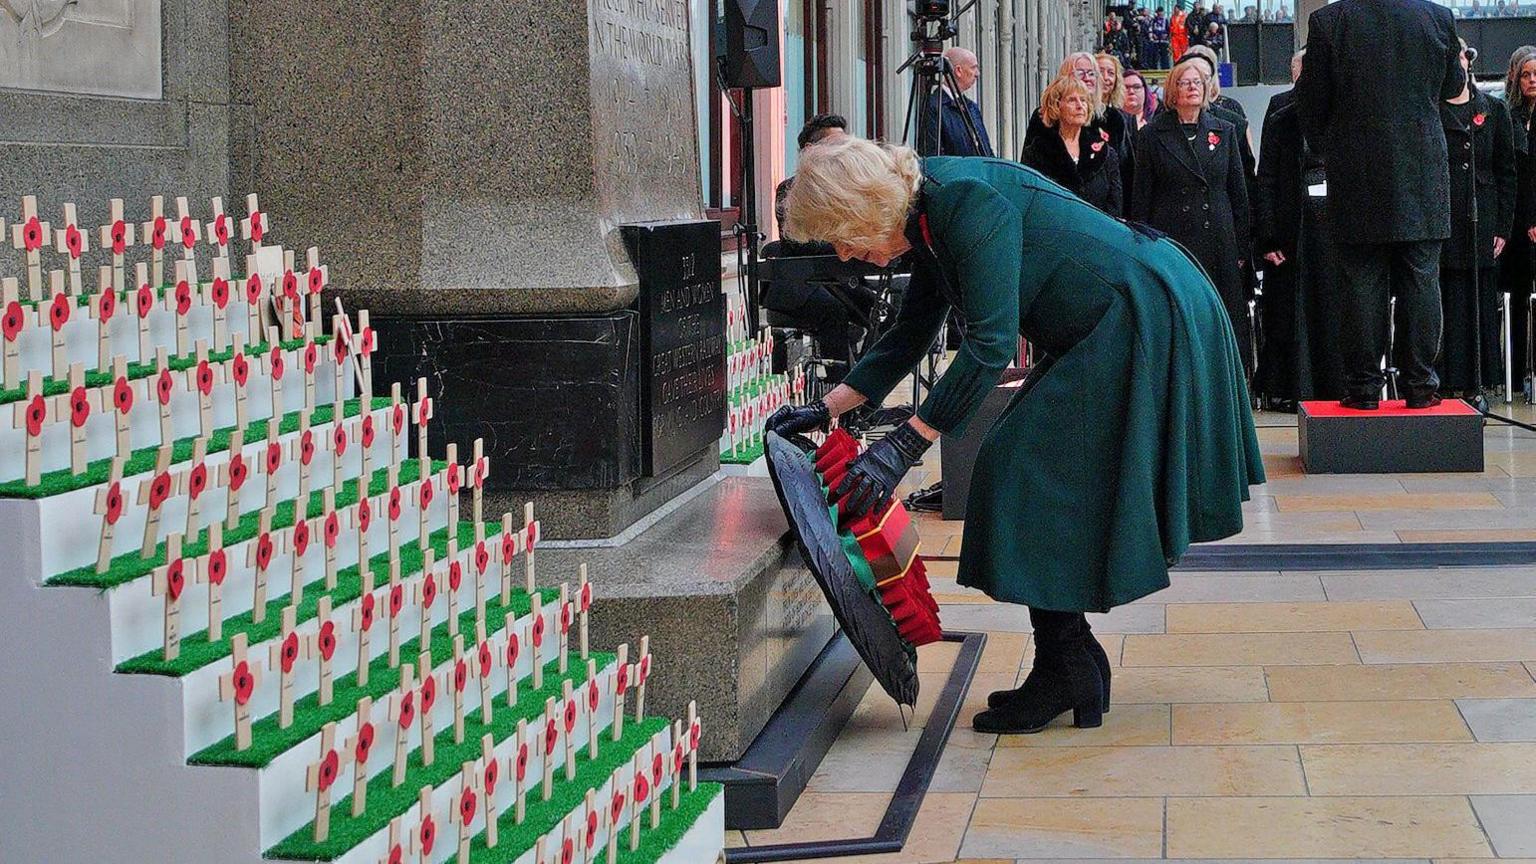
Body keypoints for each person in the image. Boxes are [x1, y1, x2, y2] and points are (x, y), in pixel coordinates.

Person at [767, 138, 1263, 734]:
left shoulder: (962, 203)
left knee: (1021, 467)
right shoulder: (926, 209)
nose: (846, 255)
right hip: (1108, 317)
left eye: (842, 236)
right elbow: (911, 331)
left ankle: (1065, 666)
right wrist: (829, 407)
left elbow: (989, 343)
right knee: (1025, 467)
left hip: (1136, 313)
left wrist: (905, 444)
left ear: (865, 207)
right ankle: (1071, 661)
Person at [1297, 0, 1465, 409]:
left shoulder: (1329, 21)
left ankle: (1364, 388)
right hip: (1422, 171)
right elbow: (1453, 87)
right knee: (1421, 282)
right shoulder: (1437, 16)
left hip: (1358, 172)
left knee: (1360, 285)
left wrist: (1325, 145)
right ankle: (1422, 386)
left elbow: (1312, 102)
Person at [1132, 57, 1254, 373]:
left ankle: (1229, 377)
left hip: (1218, 236)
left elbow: (1238, 192)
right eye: (1185, 83)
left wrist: (1242, 246)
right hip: (1173, 236)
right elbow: (1142, 195)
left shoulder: (1224, 131)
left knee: (1222, 311)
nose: (1192, 88)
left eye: (1197, 83)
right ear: (1173, 90)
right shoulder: (1152, 135)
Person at [1411, 41, 1519, 397]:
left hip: (1481, 220)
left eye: (1458, 57)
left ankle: (1478, 381)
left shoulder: (1493, 109)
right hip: (1440, 218)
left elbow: (1506, 173)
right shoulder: (1429, 110)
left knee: (1478, 300)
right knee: (1442, 299)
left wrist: (1503, 227)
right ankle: (1440, 378)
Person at [1255, 48, 1347, 403]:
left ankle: (1334, 384)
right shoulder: (1281, 112)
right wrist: (1268, 234)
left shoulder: (1341, 110)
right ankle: (1290, 387)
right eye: (1303, 68)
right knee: (1290, 311)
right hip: (1292, 224)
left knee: (1331, 306)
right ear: (1294, 73)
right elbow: (1267, 175)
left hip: (1332, 227)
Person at [763, 115, 866, 380]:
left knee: (887, 311)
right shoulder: (789, 190)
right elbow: (799, 243)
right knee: (833, 312)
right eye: (835, 144)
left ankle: (865, 382)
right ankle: (838, 396)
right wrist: (845, 243)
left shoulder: (848, 189)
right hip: (802, 283)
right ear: (811, 150)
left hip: (841, 279)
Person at [1026, 53, 1138, 193]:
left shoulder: (1113, 118)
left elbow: (1127, 170)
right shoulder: (1044, 116)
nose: (1087, 78)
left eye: (1091, 73)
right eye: (1080, 73)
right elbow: (1028, 170)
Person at [1022, 75, 1124, 215]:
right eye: (1071, 100)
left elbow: (1115, 204)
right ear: (1056, 106)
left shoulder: (1105, 152)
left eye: (1083, 100)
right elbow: (1031, 201)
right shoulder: (1037, 152)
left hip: (1099, 232)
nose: (1080, 105)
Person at [1501, 46, 1536, 393]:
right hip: (1513, 222)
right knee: (1514, 296)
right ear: (1514, 76)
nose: (1532, 80)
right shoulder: (1505, 114)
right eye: (1525, 74)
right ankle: (1512, 374)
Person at [917, 47, 995, 158]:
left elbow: (986, 150)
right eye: (973, 68)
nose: (977, 74)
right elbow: (932, 156)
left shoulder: (972, 107)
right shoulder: (934, 106)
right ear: (958, 71)